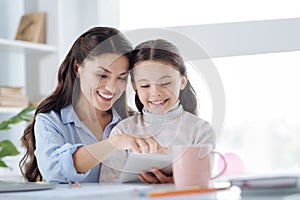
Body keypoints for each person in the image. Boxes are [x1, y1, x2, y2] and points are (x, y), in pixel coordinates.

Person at [19, 27, 163, 183]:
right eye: (102, 75)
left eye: (121, 78)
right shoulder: (51, 121)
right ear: (77, 68)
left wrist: (165, 178)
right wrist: (114, 142)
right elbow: (54, 170)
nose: (112, 88)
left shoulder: (133, 122)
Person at [101, 39, 216, 184]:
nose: (155, 93)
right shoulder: (123, 131)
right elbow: (107, 183)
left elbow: (203, 184)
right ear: (135, 87)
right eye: (145, 85)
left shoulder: (201, 131)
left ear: (182, 81)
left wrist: (178, 183)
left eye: (165, 83)